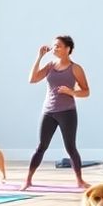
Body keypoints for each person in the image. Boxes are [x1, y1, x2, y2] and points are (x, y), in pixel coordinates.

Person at [22, 35, 90, 190]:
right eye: (54, 45)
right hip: (49, 111)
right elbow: (32, 79)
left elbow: (86, 91)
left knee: (70, 147)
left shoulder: (76, 68)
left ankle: (79, 180)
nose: (54, 48)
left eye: (58, 46)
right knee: (41, 146)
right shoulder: (50, 65)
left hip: (67, 112)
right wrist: (39, 57)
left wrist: (71, 92)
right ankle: (27, 180)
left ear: (68, 49)